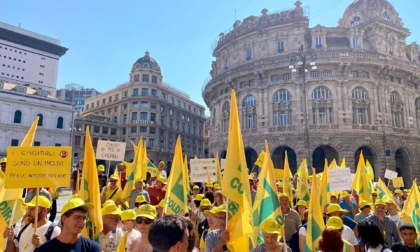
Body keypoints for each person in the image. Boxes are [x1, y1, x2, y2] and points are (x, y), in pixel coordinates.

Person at [33, 196, 100, 252]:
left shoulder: (92, 248)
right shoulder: (44, 250)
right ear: (64, 219)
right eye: (77, 217)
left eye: (84, 218)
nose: (82, 222)